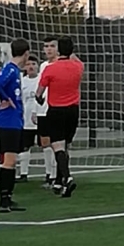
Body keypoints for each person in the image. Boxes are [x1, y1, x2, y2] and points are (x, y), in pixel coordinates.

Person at [35, 35, 83, 198]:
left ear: (58, 50)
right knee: (65, 145)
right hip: (73, 110)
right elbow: (77, 61)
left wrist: (39, 99)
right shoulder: (78, 67)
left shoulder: (50, 69)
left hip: (56, 110)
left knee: (58, 147)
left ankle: (67, 177)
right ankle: (58, 182)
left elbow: (39, 92)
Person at [0, 39, 30, 212]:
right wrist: (6, 98)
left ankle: (8, 198)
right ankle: (4, 200)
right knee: (9, 160)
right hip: (8, 121)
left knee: (12, 161)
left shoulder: (14, 70)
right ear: (26, 53)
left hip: (14, 120)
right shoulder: (10, 69)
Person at [36, 37, 59, 188]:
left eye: (52, 46)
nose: (49, 49)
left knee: (57, 142)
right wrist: (35, 109)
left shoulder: (61, 64)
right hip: (42, 108)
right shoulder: (43, 66)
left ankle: (58, 175)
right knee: (45, 143)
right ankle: (49, 174)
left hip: (57, 107)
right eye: (46, 46)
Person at [18, 55, 41, 181]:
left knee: (46, 145)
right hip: (26, 119)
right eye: (28, 64)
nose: (31, 67)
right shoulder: (22, 81)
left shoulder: (42, 79)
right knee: (25, 146)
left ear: (38, 66)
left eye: (33, 64)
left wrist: (36, 111)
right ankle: (23, 173)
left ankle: (50, 174)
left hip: (41, 116)